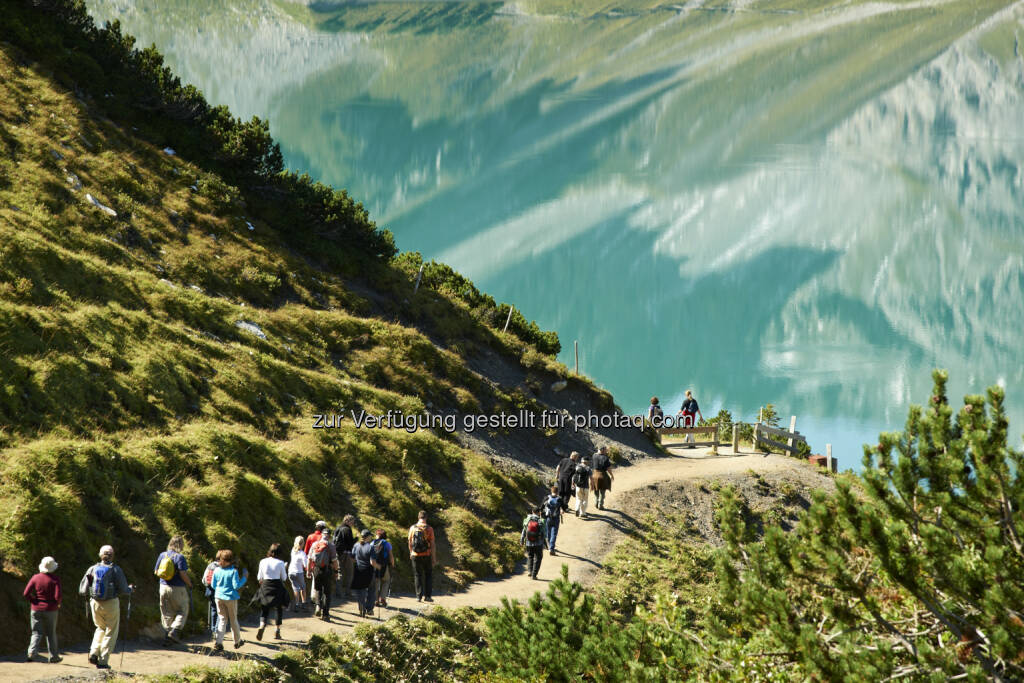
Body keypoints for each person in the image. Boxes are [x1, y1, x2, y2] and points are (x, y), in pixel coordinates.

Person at [81, 545, 133, 670]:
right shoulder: (115, 569)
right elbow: (124, 589)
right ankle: (103, 661)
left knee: (100, 628)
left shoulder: (92, 569)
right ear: (112, 555)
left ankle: (94, 652)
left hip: (95, 603)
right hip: (111, 603)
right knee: (111, 631)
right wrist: (131, 589)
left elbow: (82, 589)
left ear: (100, 554)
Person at [153, 535, 192, 646]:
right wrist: (190, 584)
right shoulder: (179, 557)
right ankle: (174, 632)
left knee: (166, 612)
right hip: (177, 588)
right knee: (182, 610)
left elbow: (156, 571)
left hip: (163, 587)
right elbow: (183, 574)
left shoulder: (162, 555)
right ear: (181, 545)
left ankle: (167, 637)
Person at [24, 556, 62, 663]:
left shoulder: (35, 577)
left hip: (36, 609)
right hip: (51, 610)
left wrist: (34, 601)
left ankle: (32, 652)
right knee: (51, 633)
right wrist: (57, 604)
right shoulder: (55, 579)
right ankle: (54, 656)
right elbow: (57, 596)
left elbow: (26, 593)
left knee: (36, 632)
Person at [211, 549, 247, 651]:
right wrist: (244, 578)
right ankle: (237, 641)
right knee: (233, 620)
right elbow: (236, 586)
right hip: (230, 598)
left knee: (222, 619)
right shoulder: (233, 571)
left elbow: (213, 585)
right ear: (230, 560)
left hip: (218, 597)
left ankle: (218, 642)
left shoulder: (216, 570)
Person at [254, 543, 290, 641]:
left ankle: (262, 625)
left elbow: (259, 577)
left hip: (265, 585)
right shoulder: (280, 563)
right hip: (277, 586)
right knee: (279, 608)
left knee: (264, 608)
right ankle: (277, 631)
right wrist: (284, 568)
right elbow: (284, 578)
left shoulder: (262, 561)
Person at [307, 529, 339, 621]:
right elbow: (334, 561)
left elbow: (309, 559)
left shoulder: (314, 544)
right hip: (327, 570)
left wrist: (308, 571)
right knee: (327, 592)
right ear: (329, 536)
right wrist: (336, 572)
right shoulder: (331, 546)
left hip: (316, 569)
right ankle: (325, 614)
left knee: (317, 589)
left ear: (322, 535)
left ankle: (317, 606)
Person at [350, 529, 381, 618]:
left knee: (360, 590)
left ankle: (361, 606)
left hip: (358, 571)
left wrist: (358, 562)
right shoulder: (371, 547)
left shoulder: (356, 545)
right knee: (372, 589)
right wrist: (379, 566)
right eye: (370, 536)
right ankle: (369, 609)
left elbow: (352, 558)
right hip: (369, 571)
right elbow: (372, 562)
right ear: (368, 537)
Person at [408, 510, 436, 602]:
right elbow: (432, 544)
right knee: (428, 575)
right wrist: (433, 558)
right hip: (426, 554)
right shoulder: (429, 529)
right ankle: (427, 596)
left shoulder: (412, 528)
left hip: (415, 554)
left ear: (418, 517)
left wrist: (411, 552)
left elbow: (410, 542)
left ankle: (418, 597)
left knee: (417, 575)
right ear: (426, 518)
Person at [520, 506, 549, 579]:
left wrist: (522, 540)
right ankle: (534, 575)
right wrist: (545, 543)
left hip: (528, 542)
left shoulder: (527, 520)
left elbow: (524, 531)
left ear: (532, 512)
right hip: (538, 543)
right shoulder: (541, 521)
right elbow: (545, 534)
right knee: (538, 558)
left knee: (530, 556)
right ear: (539, 512)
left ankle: (530, 571)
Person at [332, 515, 356, 599]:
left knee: (339, 572)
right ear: (347, 521)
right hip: (346, 553)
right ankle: (348, 592)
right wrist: (356, 539)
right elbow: (350, 543)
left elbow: (333, 540)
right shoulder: (347, 529)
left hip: (337, 553)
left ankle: (338, 592)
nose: (353, 524)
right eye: (352, 522)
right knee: (350, 573)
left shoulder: (337, 528)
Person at [372, 529, 395, 608]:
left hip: (374, 565)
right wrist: (392, 564)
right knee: (386, 581)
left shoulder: (372, 543)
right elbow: (391, 556)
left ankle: (376, 600)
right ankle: (383, 598)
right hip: (384, 566)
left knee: (376, 582)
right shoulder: (387, 544)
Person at [287, 535, 308, 611]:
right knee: (303, 587)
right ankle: (304, 603)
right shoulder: (302, 554)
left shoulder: (293, 550)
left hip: (291, 571)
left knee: (295, 588)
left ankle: (296, 604)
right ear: (303, 544)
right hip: (299, 572)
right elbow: (305, 565)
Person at [590, 446, 615, 510]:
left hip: (595, 474)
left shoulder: (594, 456)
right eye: (605, 450)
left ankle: (596, 502)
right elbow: (608, 468)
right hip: (602, 475)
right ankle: (600, 505)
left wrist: (599, 451)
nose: (606, 451)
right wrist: (611, 475)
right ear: (602, 450)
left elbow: (596, 454)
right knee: (602, 491)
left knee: (596, 490)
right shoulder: (605, 458)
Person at [541, 486, 563, 555]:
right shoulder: (559, 499)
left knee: (548, 532)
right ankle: (552, 548)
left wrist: (541, 513)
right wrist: (562, 509)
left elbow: (541, 507)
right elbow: (565, 506)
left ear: (551, 491)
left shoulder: (547, 498)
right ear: (557, 492)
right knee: (554, 533)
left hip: (548, 518)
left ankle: (550, 545)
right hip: (556, 518)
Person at [201, 557, 220, 637]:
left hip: (210, 590)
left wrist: (207, 586)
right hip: (219, 591)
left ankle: (212, 629)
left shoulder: (210, 565)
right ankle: (216, 630)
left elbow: (204, 580)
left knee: (213, 609)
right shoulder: (222, 567)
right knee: (220, 611)